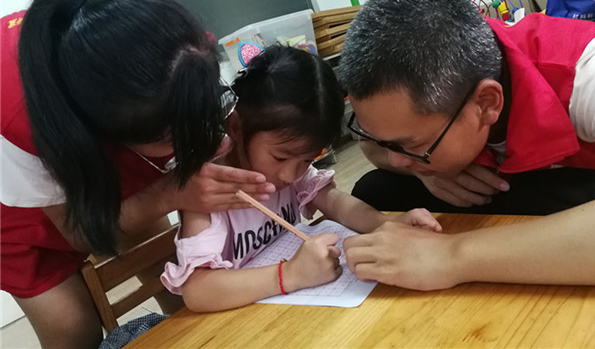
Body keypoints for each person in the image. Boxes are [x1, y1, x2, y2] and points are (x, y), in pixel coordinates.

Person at [1, 0, 275, 349]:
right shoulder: (16, 121)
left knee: (178, 283)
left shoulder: (177, 52)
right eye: (173, 138)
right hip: (20, 216)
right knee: (74, 330)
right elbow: (83, 233)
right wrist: (171, 193)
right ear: (109, 136)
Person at [337, 0, 595, 289]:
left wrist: (450, 256)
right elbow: (371, 147)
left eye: (412, 145)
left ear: (486, 104)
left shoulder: (586, 77)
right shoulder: (453, 74)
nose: (395, 159)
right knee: (376, 190)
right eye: (387, 143)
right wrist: (425, 168)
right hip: (507, 184)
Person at [160, 45, 442, 312]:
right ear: (235, 126)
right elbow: (197, 291)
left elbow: (334, 201)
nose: (291, 174)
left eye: (307, 159)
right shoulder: (207, 192)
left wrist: (385, 224)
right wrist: (290, 275)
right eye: (280, 157)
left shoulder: (288, 171)